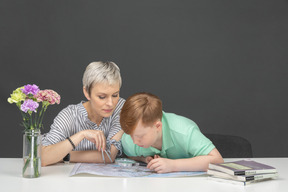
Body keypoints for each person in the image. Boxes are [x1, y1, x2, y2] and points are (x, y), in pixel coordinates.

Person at [41, 61, 125, 166]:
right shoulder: (69, 115)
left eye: (115, 95)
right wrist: (82, 134)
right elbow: (42, 158)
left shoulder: (121, 107)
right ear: (86, 92)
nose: (110, 103)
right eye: (102, 97)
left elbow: (109, 156)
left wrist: (63, 156)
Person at [120, 92, 224, 173]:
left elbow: (217, 160)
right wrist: (144, 159)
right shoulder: (131, 138)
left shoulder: (184, 131)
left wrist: (173, 165)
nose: (134, 141)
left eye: (140, 136)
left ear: (158, 126)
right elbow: (129, 155)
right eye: (130, 135)